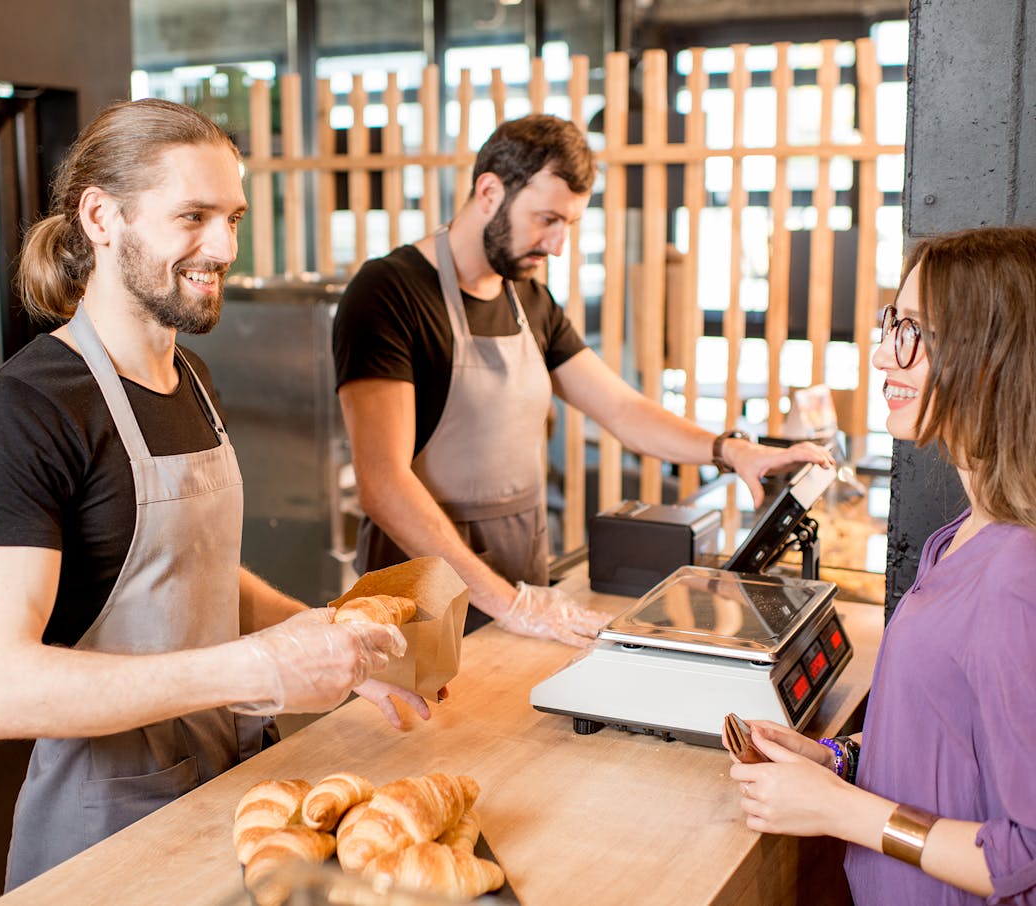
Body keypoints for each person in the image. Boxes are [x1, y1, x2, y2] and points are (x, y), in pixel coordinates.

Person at [0, 98, 430, 891]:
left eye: (232, 218)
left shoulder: (191, 379)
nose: (224, 248)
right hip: (107, 839)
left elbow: (189, 572)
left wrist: (328, 639)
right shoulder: (20, 412)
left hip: (234, 792)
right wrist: (257, 669)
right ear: (101, 217)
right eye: (193, 216)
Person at [333, 114, 832, 645]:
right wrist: (511, 604)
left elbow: (621, 408)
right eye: (546, 219)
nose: (557, 246)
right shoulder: (388, 294)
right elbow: (383, 485)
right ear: (489, 192)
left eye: (568, 224)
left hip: (519, 587)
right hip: (419, 603)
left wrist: (731, 450)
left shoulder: (529, 300)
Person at [728, 226, 1036, 904]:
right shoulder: (958, 537)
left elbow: (1025, 853)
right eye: (893, 324)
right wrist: (836, 759)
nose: (880, 355)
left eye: (913, 332)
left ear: (993, 355)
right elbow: (952, 744)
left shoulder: (1017, 575)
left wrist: (839, 809)